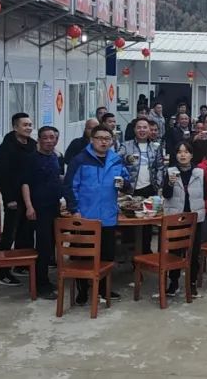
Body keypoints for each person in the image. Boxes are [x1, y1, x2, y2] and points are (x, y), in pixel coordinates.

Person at [65, 125, 130, 304]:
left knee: (107, 256)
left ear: (112, 141)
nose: (103, 142)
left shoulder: (116, 160)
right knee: (83, 256)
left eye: (107, 139)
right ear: (92, 140)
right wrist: (74, 210)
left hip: (108, 217)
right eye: (100, 138)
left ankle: (103, 289)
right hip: (85, 217)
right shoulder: (80, 160)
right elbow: (69, 186)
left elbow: (127, 184)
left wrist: (124, 184)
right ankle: (82, 291)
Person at [21, 126, 63, 300]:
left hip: (54, 206)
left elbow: (58, 178)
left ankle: (45, 279)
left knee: (51, 245)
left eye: (52, 137)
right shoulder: (31, 159)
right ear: (38, 140)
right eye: (45, 137)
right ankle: (41, 285)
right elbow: (25, 184)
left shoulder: (56, 157)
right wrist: (29, 206)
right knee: (43, 246)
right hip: (39, 208)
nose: (49, 141)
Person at [0, 112, 37, 286]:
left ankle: (21, 265)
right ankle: (2, 272)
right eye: (25, 125)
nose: (28, 128)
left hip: (29, 197)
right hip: (13, 197)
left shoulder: (32, 144)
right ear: (15, 127)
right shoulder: (7, 147)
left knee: (26, 232)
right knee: (10, 234)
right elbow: (2, 175)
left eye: (30, 125)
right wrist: (9, 198)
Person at [163, 142, 207, 297]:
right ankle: (174, 282)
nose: (183, 155)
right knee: (174, 251)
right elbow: (166, 195)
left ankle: (192, 283)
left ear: (191, 155)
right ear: (175, 155)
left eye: (186, 152)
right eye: (180, 152)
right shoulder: (170, 172)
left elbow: (206, 193)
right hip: (176, 218)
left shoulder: (199, 173)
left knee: (194, 252)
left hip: (195, 218)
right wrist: (170, 183)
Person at [120, 117, 165, 254]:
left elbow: (160, 167)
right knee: (129, 223)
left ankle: (145, 250)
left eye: (145, 127)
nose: (142, 130)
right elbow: (116, 161)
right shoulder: (126, 145)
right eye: (139, 127)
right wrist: (127, 159)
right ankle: (128, 252)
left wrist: (158, 184)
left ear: (150, 130)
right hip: (130, 189)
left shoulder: (155, 146)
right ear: (134, 129)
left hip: (149, 189)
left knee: (147, 223)